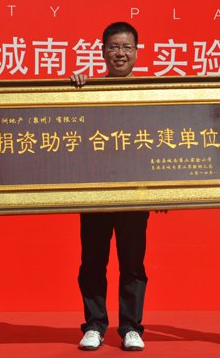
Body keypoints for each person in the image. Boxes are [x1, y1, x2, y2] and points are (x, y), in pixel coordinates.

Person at [70, 22, 149, 351]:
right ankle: (94, 325)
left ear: (136, 52)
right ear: (103, 52)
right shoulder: (87, 89)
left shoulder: (152, 93)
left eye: (127, 47)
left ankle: (131, 327)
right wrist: (73, 89)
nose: (120, 53)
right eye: (114, 47)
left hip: (135, 194)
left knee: (133, 264)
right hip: (95, 191)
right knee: (92, 262)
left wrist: (166, 190)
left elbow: (161, 143)